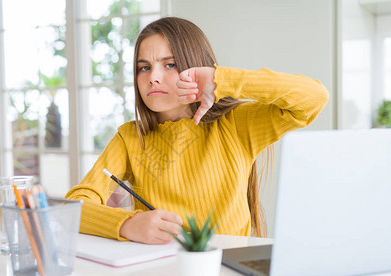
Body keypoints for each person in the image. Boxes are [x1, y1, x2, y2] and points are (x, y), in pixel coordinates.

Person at [65, 17, 329, 244]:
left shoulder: (236, 124)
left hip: (230, 273)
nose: (153, 77)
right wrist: (127, 223)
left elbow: (314, 98)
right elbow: (75, 206)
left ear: (197, 67)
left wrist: (220, 79)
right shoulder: (130, 137)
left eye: (170, 64)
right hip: (158, 271)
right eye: (144, 67)